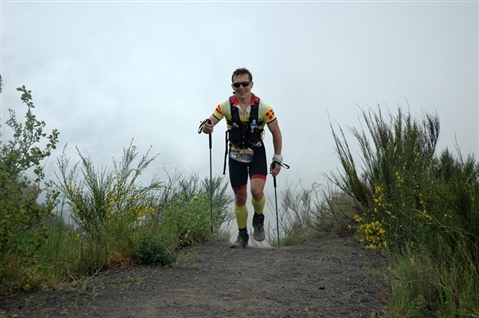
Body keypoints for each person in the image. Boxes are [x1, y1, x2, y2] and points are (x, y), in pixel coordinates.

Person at [201, 67, 284, 248]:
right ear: (233, 86)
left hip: (256, 153)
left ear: (251, 84)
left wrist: (277, 159)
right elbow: (210, 121)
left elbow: (276, 132)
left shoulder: (264, 107)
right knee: (240, 197)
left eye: (245, 84)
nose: (241, 88)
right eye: (237, 84)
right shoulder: (225, 105)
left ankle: (258, 219)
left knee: (256, 191)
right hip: (236, 153)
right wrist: (207, 126)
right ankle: (242, 236)